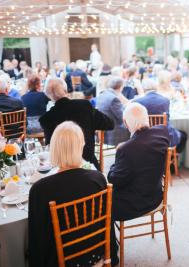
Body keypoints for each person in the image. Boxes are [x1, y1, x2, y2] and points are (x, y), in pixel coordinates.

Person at [28, 121, 118, 267]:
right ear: (80, 147)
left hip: (62, 260)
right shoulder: (98, 178)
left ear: (54, 148)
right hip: (96, 253)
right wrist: (112, 257)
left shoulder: (40, 189)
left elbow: (37, 241)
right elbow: (108, 224)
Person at [108, 103, 170, 220]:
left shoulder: (126, 149)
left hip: (136, 204)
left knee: (101, 204)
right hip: (156, 196)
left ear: (126, 123)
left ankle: (110, 238)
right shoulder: (163, 132)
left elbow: (114, 180)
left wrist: (116, 157)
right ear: (146, 117)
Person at [39, 78, 114, 170]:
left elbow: (51, 148)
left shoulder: (46, 118)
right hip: (88, 164)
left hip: (61, 168)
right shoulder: (84, 105)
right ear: (65, 90)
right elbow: (110, 124)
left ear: (48, 95)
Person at [134, 80, 186, 152]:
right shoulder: (165, 100)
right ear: (156, 87)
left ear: (143, 89)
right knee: (184, 135)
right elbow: (168, 119)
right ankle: (171, 157)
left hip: (144, 137)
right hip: (164, 137)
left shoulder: (137, 102)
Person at [95, 77, 130, 146]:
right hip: (113, 130)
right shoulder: (114, 98)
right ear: (120, 87)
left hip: (103, 129)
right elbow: (122, 117)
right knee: (134, 128)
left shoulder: (102, 95)